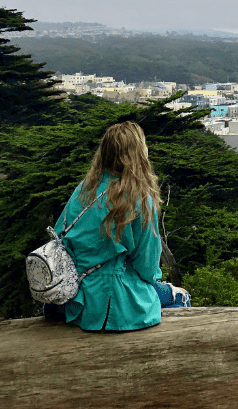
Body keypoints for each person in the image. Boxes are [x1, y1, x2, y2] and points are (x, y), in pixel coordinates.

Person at [45, 122, 189, 331]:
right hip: (113, 302)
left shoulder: (84, 190)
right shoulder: (139, 198)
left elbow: (60, 237)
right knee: (181, 297)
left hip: (73, 297)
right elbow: (147, 268)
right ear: (139, 154)